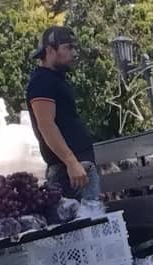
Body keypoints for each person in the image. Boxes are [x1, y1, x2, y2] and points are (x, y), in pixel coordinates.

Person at [26, 26, 100, 202]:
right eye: (68, 47)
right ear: (50, 50)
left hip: (76, 167)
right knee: (84, 224)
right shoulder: (42, 81)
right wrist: (71, 162)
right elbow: (46, 125)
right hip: (68, 170)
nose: (74, 53)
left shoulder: (54, 80)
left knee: (91, 221)